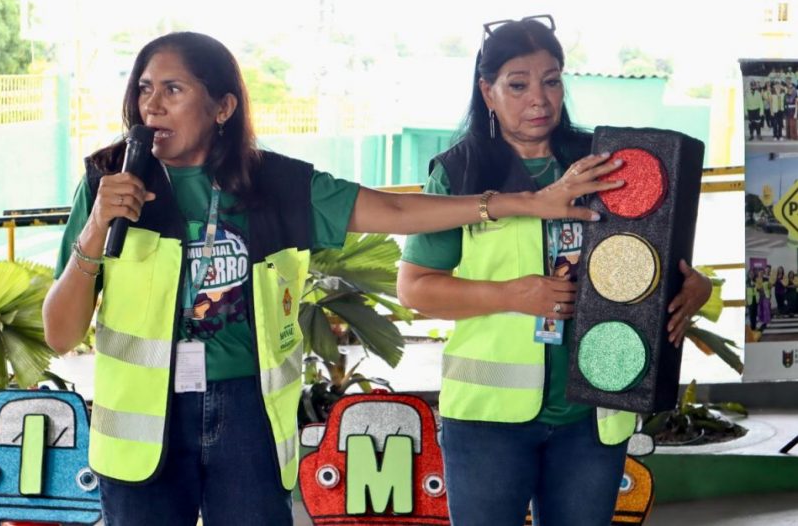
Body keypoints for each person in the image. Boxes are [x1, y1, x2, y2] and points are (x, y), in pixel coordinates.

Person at [41, 31, 621, 526]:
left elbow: (395, 211)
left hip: (247, 415)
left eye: (173, 89)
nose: (152, 106)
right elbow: (61, 334)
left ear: (222, 107)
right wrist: (94, 229)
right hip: (143, 428)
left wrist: (525, 204)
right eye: (144, 89)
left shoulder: (277, 185)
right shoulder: (108, 186)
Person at [396, 16, 712, 526]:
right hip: (488, 418)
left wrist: (695, 287)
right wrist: (511, 295)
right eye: (518, 85)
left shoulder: (607, 163)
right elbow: (415, 288)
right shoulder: (459, 172)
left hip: (593, 414)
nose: (539, 100)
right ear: (488, 92)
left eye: (551, 81)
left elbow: (653, 258)